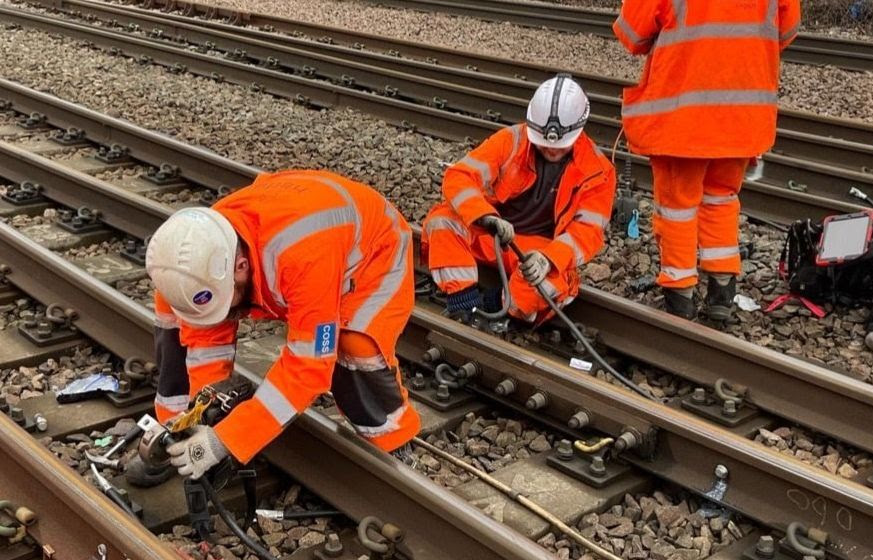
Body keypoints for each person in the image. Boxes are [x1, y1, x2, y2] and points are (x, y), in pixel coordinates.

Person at [143, 170, 421, 480]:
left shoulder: (304, 258)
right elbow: (204, 343)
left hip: (372, 253)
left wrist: (230, 439)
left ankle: (393, 446)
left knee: (355, 348)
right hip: (296, 218)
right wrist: (195, 424)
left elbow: (309, 365)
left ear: (241, 267)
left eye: (226, 298)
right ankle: (175, 434)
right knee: (174, 314)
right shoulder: (199, 252)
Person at [613, 0, 801, 321]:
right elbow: (786, 31)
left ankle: (680, 292)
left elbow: (633, 35)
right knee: (721, 197)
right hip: (742, 114)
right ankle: (722, 286)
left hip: (682, 118)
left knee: (677, 206)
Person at [422, 74, 615, 323]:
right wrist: (487, 218)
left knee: (551, 286)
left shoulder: (598, 170)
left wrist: (549, 259)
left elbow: (587, 231)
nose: (551, 149)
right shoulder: (511, 140)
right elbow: (459, 177)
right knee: (442, 222)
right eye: (544, 142)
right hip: (492, 236)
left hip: (536, 251)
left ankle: (494, 305)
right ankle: (463, 303)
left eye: (560, 146)